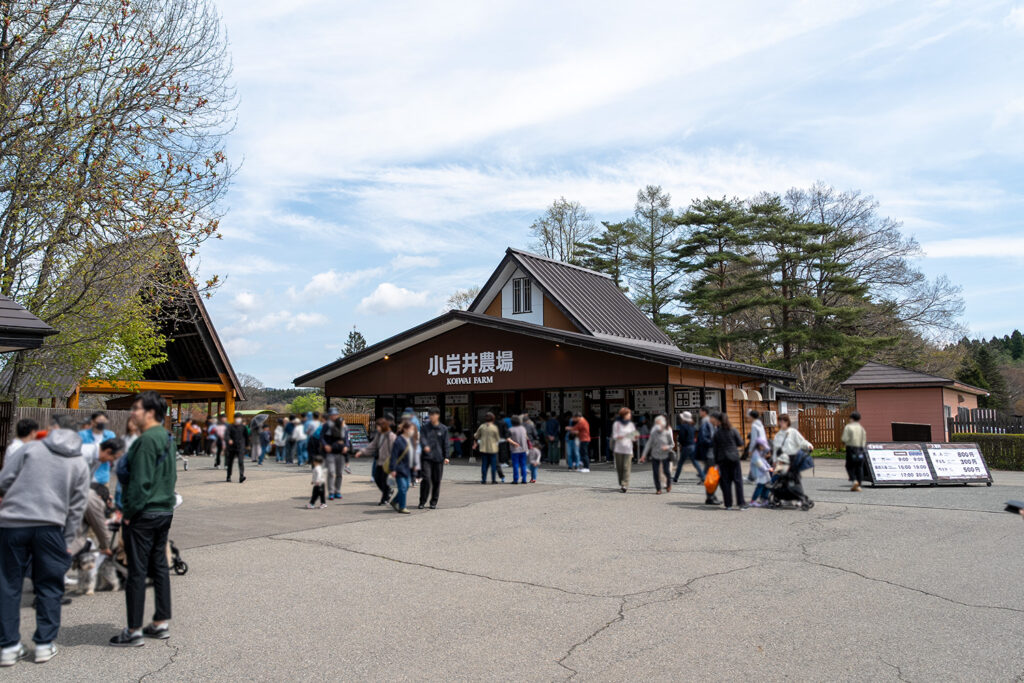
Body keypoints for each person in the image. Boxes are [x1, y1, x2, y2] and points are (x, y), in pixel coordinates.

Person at [0, 414, 90, 666]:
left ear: (53, 429)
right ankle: (44, 644)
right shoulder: (80, 463)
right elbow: (77, 508)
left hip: (13, 523)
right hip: (51, 526)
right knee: (49, 584)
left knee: (8, 584)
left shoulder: (31, 448)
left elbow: (4, 480)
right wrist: (68, 540)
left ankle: (8, 647)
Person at [109, 392, 177, 647]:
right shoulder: (168, 437)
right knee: (159, 566)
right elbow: (170, 477)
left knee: (137, 571)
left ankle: (134, 629)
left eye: (136, 408)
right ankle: (160, 623)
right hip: (164, 510)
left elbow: (140, 481)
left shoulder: (146, 440)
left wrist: (128, 513)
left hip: (144, 512)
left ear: (149, 412)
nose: (132, 413)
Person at [69, 438, 125, 592]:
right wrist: (105, 545)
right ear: (108, 451)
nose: (111, 462)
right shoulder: (83, 454)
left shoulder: (96, 459)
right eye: (113, 458)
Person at [356, 418, 397, 505]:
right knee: (377, 478)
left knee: (385, 480)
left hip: (388, 462)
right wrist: (362, 452)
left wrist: (394, 464)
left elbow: (395, 451)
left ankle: (385, 499)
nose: (377, 428)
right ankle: (388, 491)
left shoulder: (391, 436)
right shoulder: (379, 435)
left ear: (383, 426)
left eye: (378, 426)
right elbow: (372, 445)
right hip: (380, 461)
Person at [711, 411, 746, 510]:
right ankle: (741, 503)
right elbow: (740, 442)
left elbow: (715, 448)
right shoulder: (733, 430)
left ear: (719, 421)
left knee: (726, 481)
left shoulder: (717, 433)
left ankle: (728, 504)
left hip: (722, 458)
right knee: (738, 481)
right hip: (734, 457)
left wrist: (716, 462)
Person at [419, 409, 449, 509]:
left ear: (438, 416)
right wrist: (425, 446)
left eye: (434, 415)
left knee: (437, 481)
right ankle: (422, 501)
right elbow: (422, 439)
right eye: (430, 415)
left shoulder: (443, 429)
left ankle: (433, 502)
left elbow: (446, 443)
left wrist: (446, 456)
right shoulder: (424, 428)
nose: (432, 417)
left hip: (438, 458)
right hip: (426, 458)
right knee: (426, 479)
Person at [640, 414, 675, 494]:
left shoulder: (667, 431)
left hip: (665, 454)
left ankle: (668, 484)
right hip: (655, 454)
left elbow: (672, 444)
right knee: (656, 472)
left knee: (666, 471)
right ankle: (658, 489)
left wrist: (667, 447)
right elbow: (648, 444)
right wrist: (643, 455)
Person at [320, 409, 350, 501]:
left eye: (335, 414)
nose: (334, 416)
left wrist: (346, 446)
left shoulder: (343, 425)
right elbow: (321, 437)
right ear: (329, 416)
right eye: (332, 415)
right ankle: (331, 492)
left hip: (341, 452)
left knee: (339, 473)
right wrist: (325, 445)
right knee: (331, 472)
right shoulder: (326, 425)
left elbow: (347, 438)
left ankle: (338, 491)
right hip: (330, 452)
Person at [80, 412, 116, 486]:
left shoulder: (110, 435)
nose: (102, 423)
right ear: (92, 422)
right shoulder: (82, 434)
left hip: (102, 476)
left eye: (104, 421)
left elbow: (113, 453)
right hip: (85, 476)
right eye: (99, 420)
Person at [772, 414, 813, 479]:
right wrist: (774, 460)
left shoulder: (793, 432)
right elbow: (775, 449)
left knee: (792, 479)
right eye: (780, 421)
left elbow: (802, 441)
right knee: (776, 477)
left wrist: (809, 445)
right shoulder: (778, 435)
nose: (782, 423)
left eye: (784, 421)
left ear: (787, 422)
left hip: (793, 458)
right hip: (782, 459)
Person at [390, 421, 418, 514]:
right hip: (399, 468)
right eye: (411, 429)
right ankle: (402, 507)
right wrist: (393, 469)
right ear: (405, 429)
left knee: (406, 487)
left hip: (408, 468)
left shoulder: (411, 440)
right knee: (402, 488)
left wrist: (414, 465)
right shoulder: (398, 441)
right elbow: (394, 456)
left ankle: (394, 501)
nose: (412, 431)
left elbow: (413, 454)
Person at [611, 408, 638, 493]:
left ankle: (624, 484)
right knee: (620, 468)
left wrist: (634, 436)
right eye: (628, 414)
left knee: (626, 467)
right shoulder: (617, 424)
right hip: (618, 449)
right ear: (624, 415)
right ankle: (621, 482)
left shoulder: (631, 425)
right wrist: (622, 436)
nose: (630, 415)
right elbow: (614, 436)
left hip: (628, 449)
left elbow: (634, 437)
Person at [697, 407, 720, 505]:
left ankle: (711, 496)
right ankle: (710, 497)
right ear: (713, 418)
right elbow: (703, 440)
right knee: (712, 476)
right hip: (709, 454)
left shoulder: (714, 426)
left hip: (713, 454)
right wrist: (715, 442)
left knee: (711, 476)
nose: (718, 423)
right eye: (717, 420)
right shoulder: (706, 425)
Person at [673, 412, 703, 484]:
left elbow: (681, 437)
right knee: (695, 463)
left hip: (686, 447)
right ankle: (703, 477)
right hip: (692, 446)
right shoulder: (692, 426)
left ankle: (675, 478)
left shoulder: (683, 426)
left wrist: (680, 442)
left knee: (680, 463)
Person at [841, 411, 867, 492]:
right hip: (861, 449)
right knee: (859, 467)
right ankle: (858, 485)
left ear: (851, 418)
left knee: (849, 466)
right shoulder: (861, 428)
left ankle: (854, 480)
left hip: (851, 448)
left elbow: (844, 439)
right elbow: (864, 440)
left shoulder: (848, 427)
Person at [473, 413, 501, 484]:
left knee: (484, 465)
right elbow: (498, 438)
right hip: (493, 449)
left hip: (484, 448)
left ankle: (483, 480)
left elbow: (476, 436)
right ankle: (493, 480)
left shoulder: (482, 427)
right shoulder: (494, 427)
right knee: (493, 465)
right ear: (493, 419)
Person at [747, 438, 773, 507]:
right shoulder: (756, 454)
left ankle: (765, 500)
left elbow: (764, 460)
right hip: (760, 473)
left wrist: (768, 467)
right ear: (759, 445)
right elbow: (760, 465)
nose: (764, 447)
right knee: (760, 487)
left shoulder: (760, 452)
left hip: (763, 473)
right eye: (763, 446)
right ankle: (753, 501)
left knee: (766, 486)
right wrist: (768, 469)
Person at [224, 415, 248, 484]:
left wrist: (247, 445)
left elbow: (246, 437)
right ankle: (228, 476)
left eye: (239, 418)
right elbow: (227, 435)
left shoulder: (243, 427)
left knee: (241, 461)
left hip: (240, 446)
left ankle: (241, 476)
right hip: (232, 447)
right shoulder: (230, 426)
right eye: (237, 418)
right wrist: (229, 439)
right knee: (230, 462)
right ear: (234, 419)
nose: (238, 419)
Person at [508, 415, 529, 485]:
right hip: (523, 449)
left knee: (515, 465)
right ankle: (524, 479)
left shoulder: (511, 429)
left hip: (515, 450)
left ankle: (515, 480)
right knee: (523, 465)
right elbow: (526, 437)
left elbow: (508, 438)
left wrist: (514, 443)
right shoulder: (523, 428)